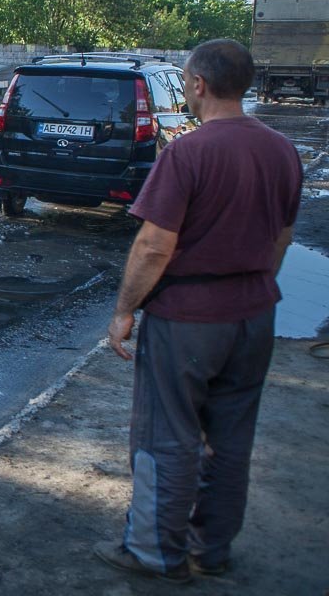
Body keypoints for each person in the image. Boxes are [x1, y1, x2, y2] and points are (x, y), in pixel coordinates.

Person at [94, 39, 302, 584]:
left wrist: (123, 311)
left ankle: (154, 552)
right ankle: (211, 549)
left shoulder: (188, 153)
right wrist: (252, 289)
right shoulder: (282, 151)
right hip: (255, 316)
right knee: (231, 439)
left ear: (198, 85)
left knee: (167, 435)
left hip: (187, 320)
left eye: (186, 81)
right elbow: (282, 237)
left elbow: (153, 246)